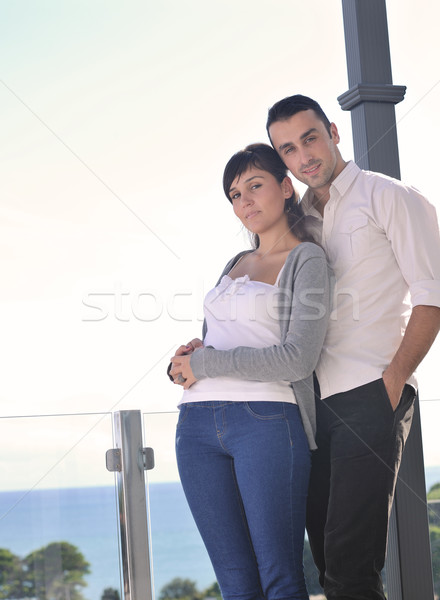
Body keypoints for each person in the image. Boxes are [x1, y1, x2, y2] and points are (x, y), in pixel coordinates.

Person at [266, 94, 440, 600]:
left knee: (350, 564)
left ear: (334, 133)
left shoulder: (389, 196)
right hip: (309, 406)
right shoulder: (295, 223)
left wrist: (391, 383)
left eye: (310, 138)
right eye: (289, 150)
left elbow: (433, 297)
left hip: (370, 392)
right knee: (326, 560)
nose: (304, 156)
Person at [168, 143, 333, 600]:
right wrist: (192, 356)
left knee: (279, 577)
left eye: (254, 186)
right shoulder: (234, 264)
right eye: (235, 195)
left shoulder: (307, 260)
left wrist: (206, 362)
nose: (245, 202)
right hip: (196, 426)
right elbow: (220, 342)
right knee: (235, 582)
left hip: (267, 422)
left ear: (285, 187)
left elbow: (297, 358)